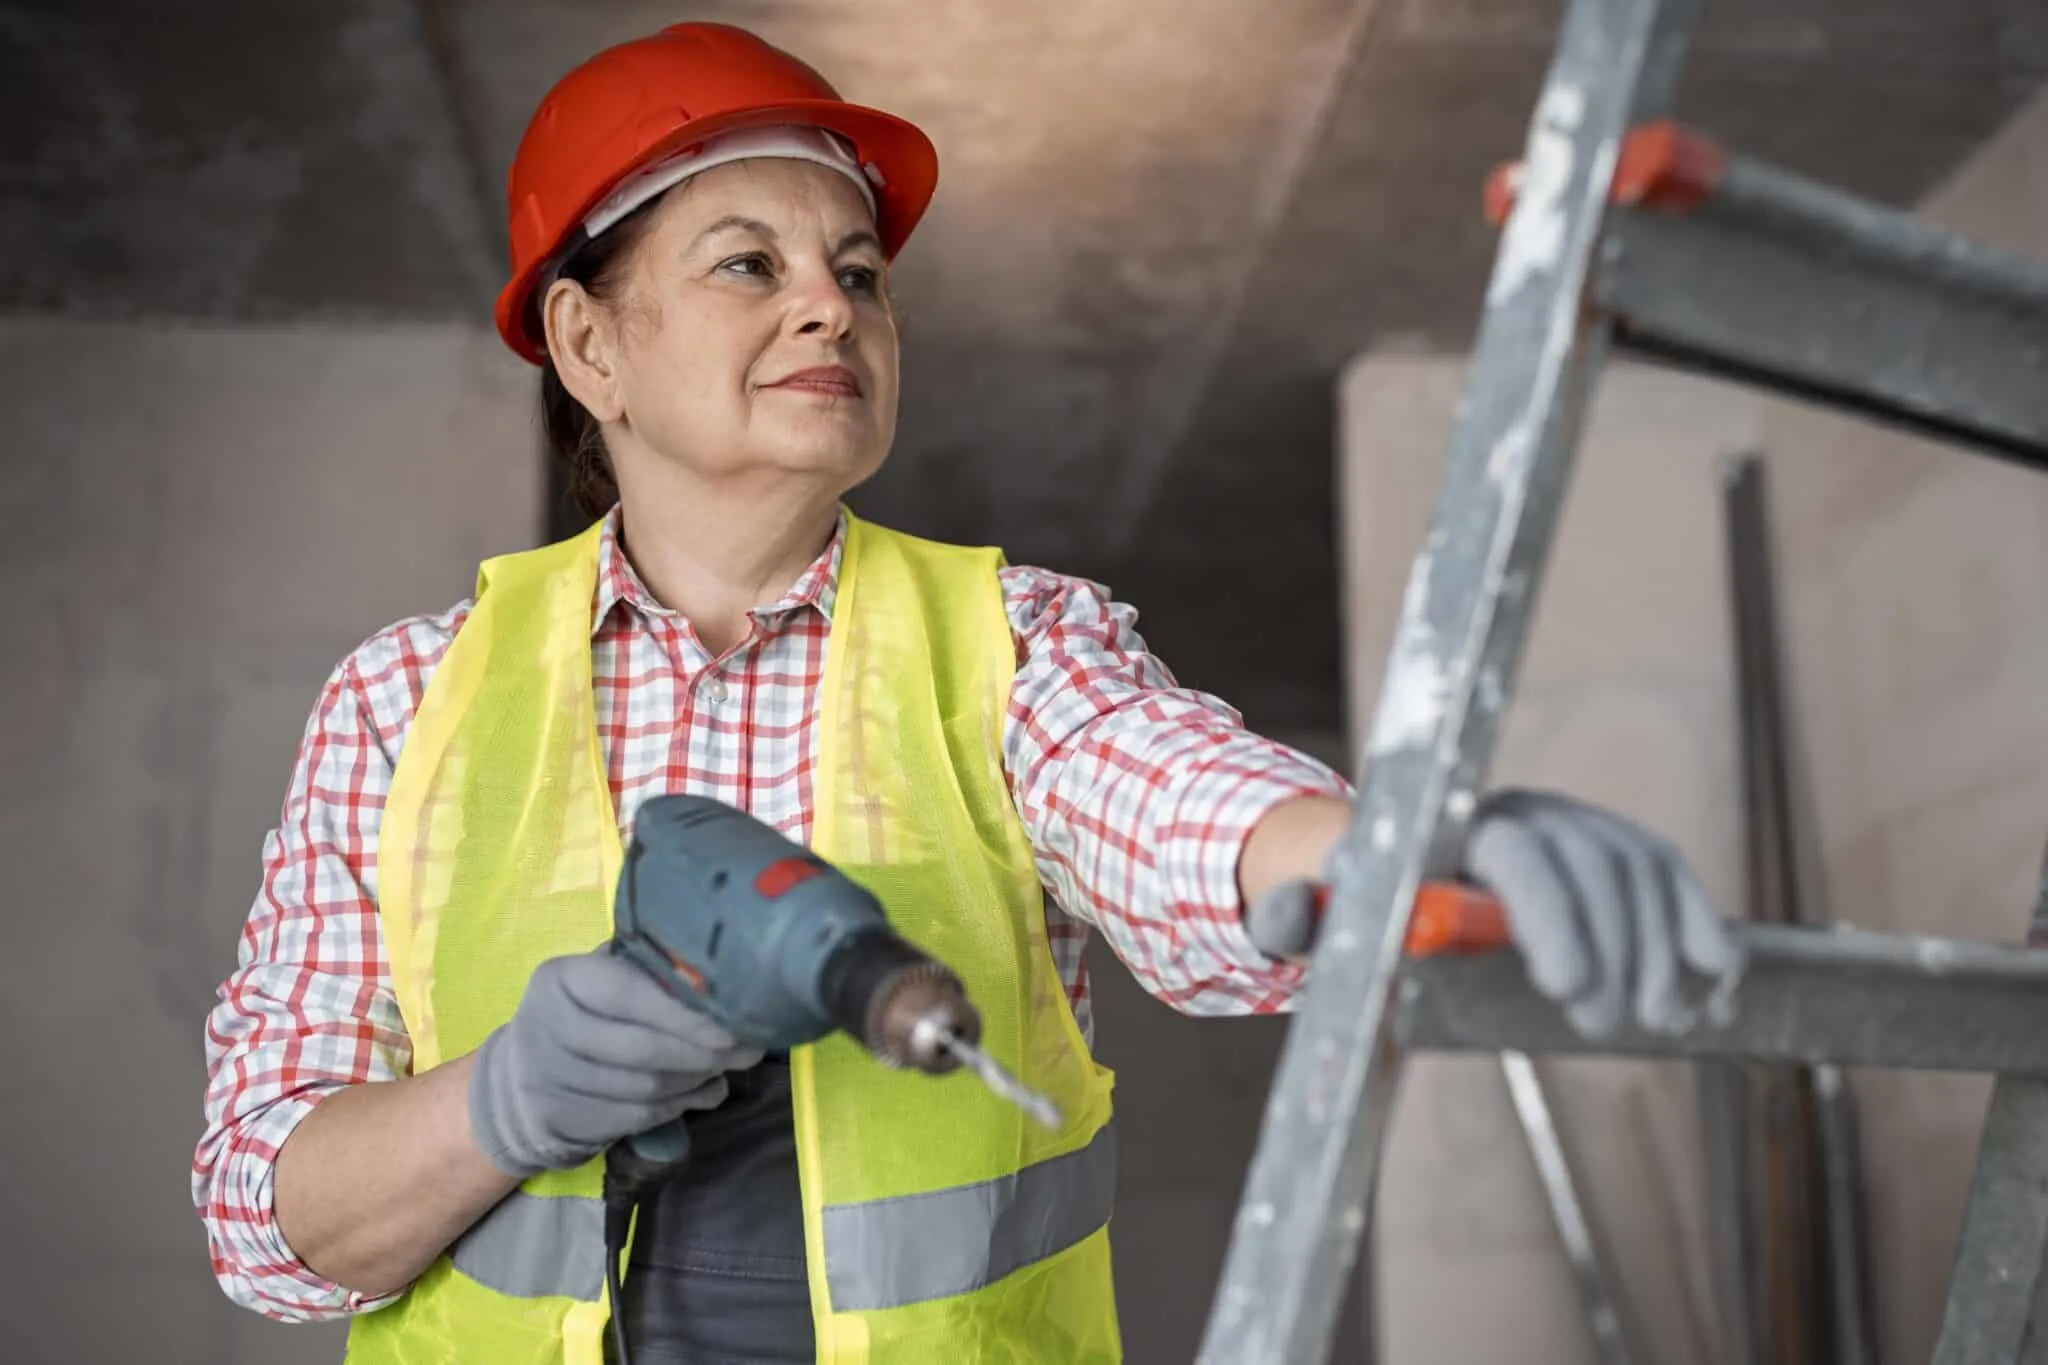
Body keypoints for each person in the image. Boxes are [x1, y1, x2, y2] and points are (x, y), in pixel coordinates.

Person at [192, 21, 1741, 1365]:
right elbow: (262, 1222)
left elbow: (1176, 800)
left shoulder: (1014, 643)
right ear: (591, 343)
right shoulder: (404, 704)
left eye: (858, 274)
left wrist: (1404, 845)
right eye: (751, 264)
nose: (831, 308)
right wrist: (506, 1101)